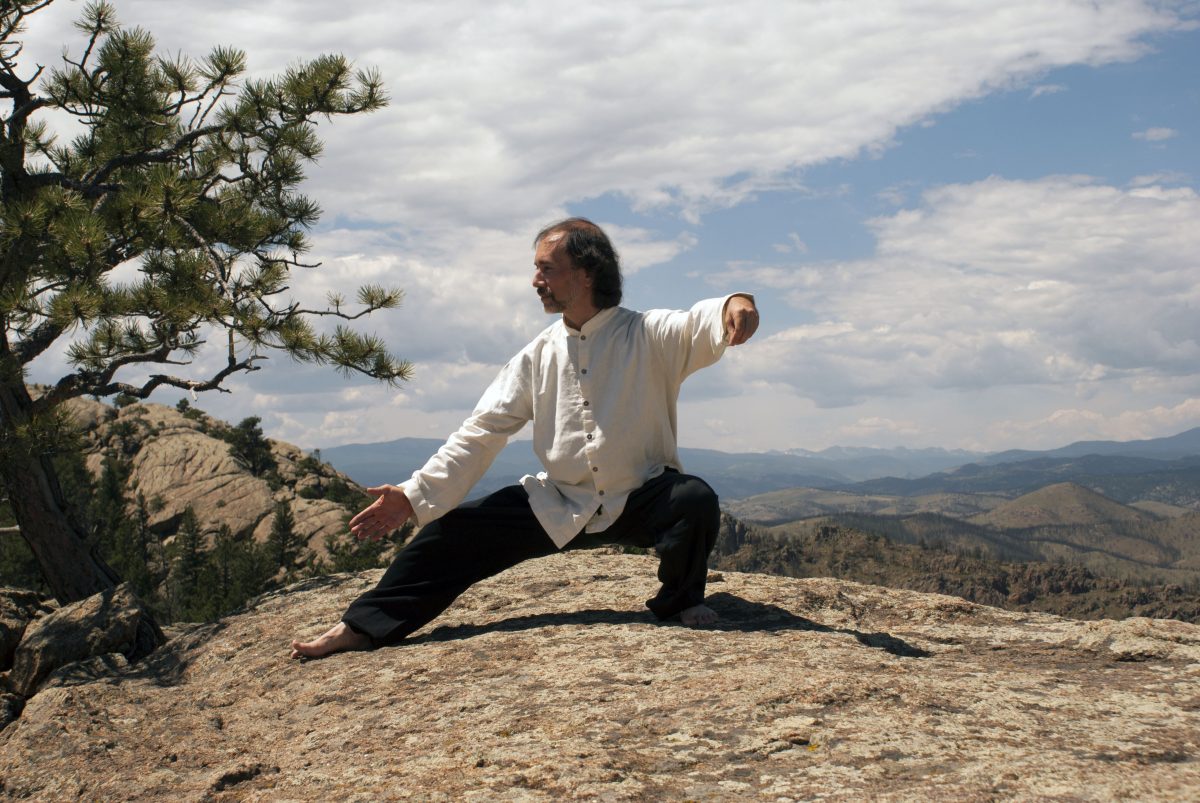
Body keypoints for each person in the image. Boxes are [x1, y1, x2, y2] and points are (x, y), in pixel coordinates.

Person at [291, 217, 759, 658]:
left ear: (587, 271)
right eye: (537, 269)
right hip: (559, 503)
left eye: (546, 269)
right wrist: (414, 496)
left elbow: (704, 318)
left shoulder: (649, 333)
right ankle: (361, 627)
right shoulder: (536, 355)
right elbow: (481, 432)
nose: (536, 280)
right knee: (449, 536)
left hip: (641, 497)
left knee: (693, 499)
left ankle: (680, 602)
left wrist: (736, 304)